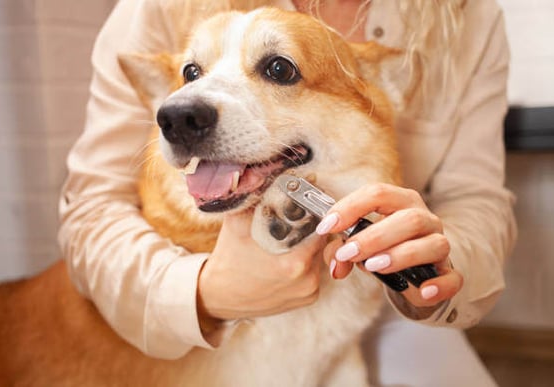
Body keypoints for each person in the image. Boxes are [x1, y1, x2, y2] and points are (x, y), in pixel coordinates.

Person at [58, 0, 516, 385]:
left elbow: (475, 199)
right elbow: (90, 208)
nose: (180, 109)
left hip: (377, 301)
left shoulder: (469, 16)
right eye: (192, 73)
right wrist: (203, 292)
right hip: (174, 297)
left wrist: (435, 267)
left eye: (278, 69)